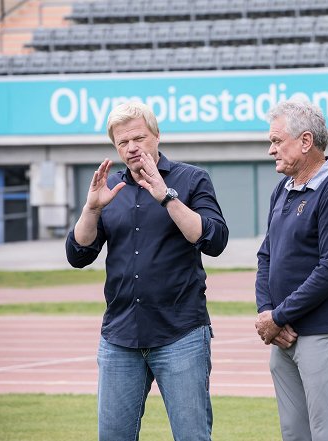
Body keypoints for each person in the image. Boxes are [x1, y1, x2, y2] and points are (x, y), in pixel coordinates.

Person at [65, 101, 228, 441]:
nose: (131, 147)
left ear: (156, 136)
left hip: (180, 333)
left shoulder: (191, 179)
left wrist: (166, 196)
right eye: (122, 142)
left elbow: (215, 240)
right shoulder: (110, 189)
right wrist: (91, 209)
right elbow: (78, 254)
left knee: (192, 437)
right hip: (119, 337)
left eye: (138, 137)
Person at [255, 100, 328, 441]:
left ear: (305, 141)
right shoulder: (282, 190)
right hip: (283, 333)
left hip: (322, 331)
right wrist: (266, 313)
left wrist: (279, 316)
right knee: (295, 435)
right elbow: (265, 256)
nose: (271, 150)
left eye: (277, 141)